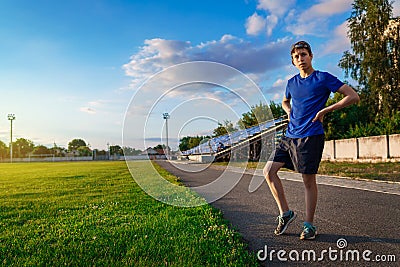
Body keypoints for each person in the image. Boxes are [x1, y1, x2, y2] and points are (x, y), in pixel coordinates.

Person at [263, 41, 359, 240]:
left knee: (307, 180)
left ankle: (309, 225)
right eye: (297, 56)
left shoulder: (322, 78)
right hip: (289, 136)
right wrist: (288, 111)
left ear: (311, 56)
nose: (301, 59)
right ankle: (285, 213)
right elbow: (284, 100)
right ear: (292, 60)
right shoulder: (291, 82)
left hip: (311, 136)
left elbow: (353, 96)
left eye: (304, 54)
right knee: (268, 171)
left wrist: (326, 109)